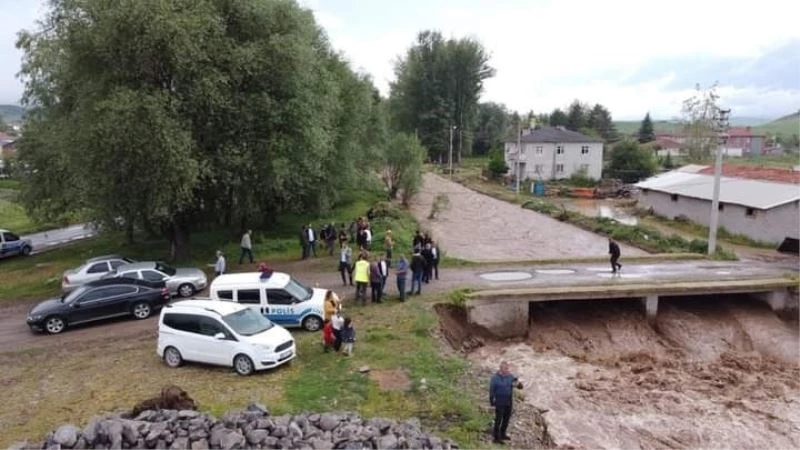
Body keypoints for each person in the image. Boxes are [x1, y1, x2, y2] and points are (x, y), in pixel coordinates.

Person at [489, 361, 523, 444]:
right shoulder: (495, 378)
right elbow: (491, 390)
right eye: (505, 368)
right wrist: (492, 401)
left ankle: (503, 434)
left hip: (508, 401)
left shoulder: (510, 376)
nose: (507, 370)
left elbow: (520, 387)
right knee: (498, 419)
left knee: (506, 419)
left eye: (508, 368)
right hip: (499, 401)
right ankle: (496, 438)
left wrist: (518, 384)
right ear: (501, 368)